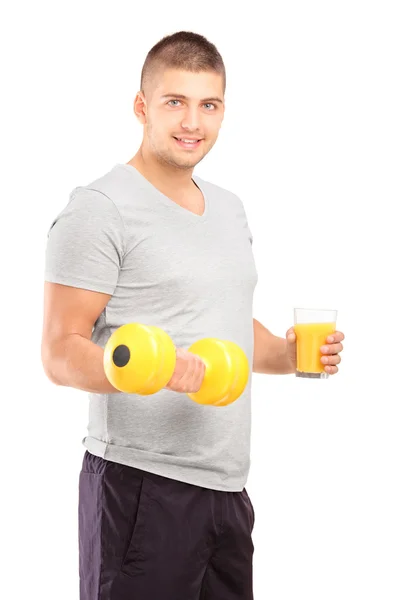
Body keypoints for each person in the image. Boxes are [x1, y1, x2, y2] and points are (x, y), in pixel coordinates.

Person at [41, 30, 345, 600]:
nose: (192, 123)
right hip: (141, 485)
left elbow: (227, 325)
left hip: (228, 490)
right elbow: (60, 350)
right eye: (174, 102)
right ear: (141, 106)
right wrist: (146, 368)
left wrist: (292, 353)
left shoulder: (230, 208)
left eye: (208, 105)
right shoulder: (99, 208)